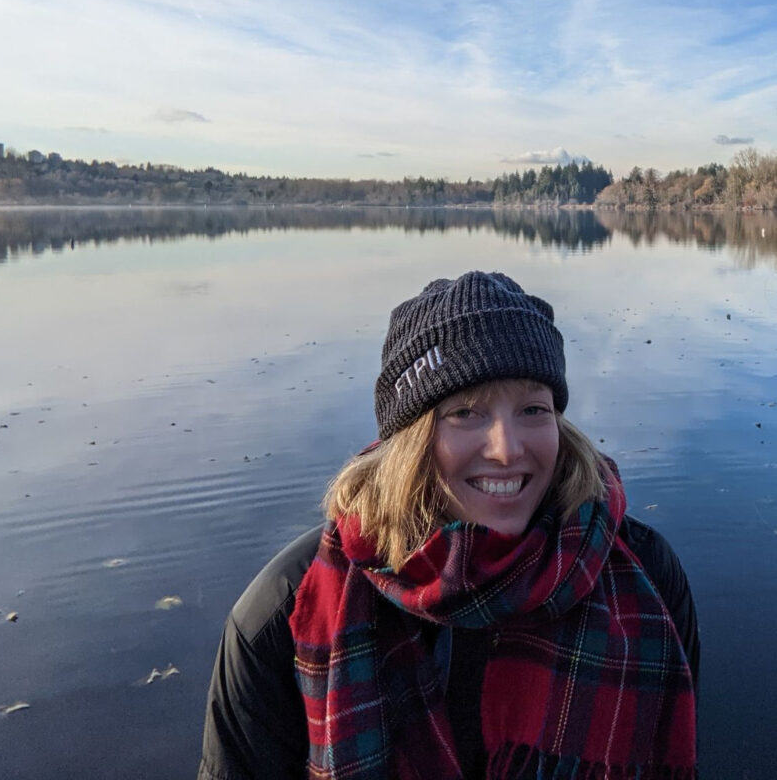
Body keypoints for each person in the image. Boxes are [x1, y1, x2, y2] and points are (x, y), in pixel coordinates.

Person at [200, 271, 699, 780]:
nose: (507, 449)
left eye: (532, 409)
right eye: (464, 413)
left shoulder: (646, 577)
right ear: (409, 441)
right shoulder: (285, 612)